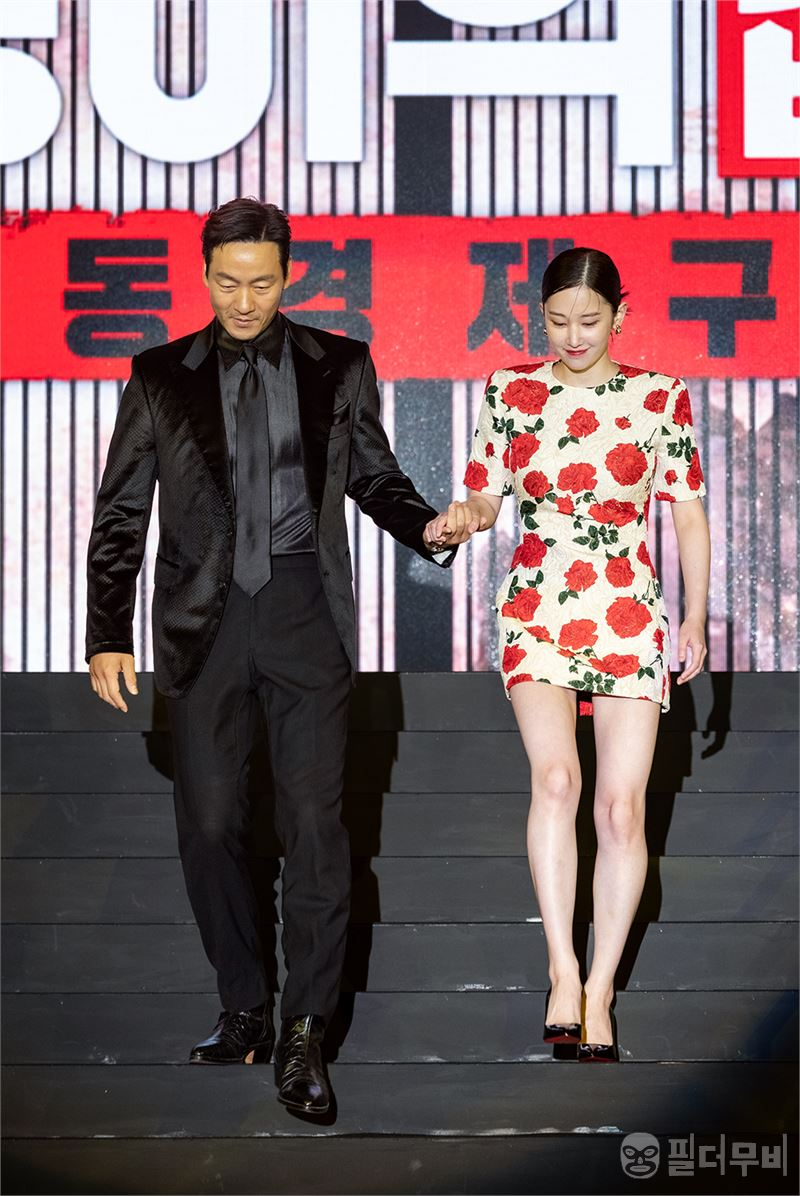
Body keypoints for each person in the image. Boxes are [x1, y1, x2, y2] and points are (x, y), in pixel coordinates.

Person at [86, 198, 452, 1114]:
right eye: (227, 282)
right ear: (204, 276)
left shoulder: (340, 364)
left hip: (303, 611)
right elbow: (122, 509)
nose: (243, 300)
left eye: (260, 282)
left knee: (315, 823)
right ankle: (245, 1004)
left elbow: (373, 475)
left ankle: (304, 1032)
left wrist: (428, 530)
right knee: (211, 824)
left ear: (288, 276)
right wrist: (106, 631)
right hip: (202, 621)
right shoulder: (159, 375)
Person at [431, 247, 710, 1061]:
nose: (574, 335)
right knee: (556, 780)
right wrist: (465, 517)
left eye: (590, 320)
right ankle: (561, 968)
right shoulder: (510, 389)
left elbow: (687, 513)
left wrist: (694, 615)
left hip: (626, 603)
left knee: (621, 809)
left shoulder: (660, 395)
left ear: (621, 314)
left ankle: (601, 988)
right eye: (558, 321)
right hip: (539, 600)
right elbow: (486, 493)